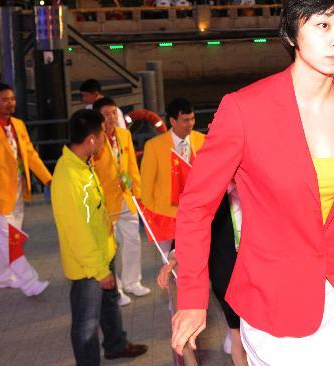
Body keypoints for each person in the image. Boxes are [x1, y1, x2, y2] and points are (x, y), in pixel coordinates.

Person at [171, 0, 334, 365]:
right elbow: (195, 206)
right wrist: (192, 299)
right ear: (292, 33)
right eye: (323, 25)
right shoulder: (244, 110)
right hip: (275, 299)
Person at [51, 109, 148, 365]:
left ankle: (116, 345)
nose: (105, 140)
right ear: (91, 140)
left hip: (103, 253)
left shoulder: (83, 164)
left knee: (109, 304)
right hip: (88, 267)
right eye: (103, 136)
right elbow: (77, 232)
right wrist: (99, 270)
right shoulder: (68, 177)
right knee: (86, 324)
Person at [0, 82, 51, 296]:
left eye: (12, 99)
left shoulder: (18, 125)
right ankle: (30, 282)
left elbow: (30, 154)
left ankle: (3, 277)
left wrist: (48, 179)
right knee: (11, 241)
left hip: (17, 193)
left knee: (5, 241)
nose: (10, 103)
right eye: (4, 99)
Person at [158, 188, 247, 366]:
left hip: (267, 273)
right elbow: (196, 216)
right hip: (229, 276)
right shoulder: (215, 186)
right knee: (239, 338)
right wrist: (175, 254)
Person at [91, 97, 150, 306]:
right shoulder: (94, 139)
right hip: (105, 201)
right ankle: (116, 289)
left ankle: (132, 281)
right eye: (106, 114)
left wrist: (139, 195)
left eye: (114, 113)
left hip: (126, 196)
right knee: (110, 247)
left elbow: (132, 165)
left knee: (133, 240)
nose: (111, 118)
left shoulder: (124, 134)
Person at [140, 98, 206, 255]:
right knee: (168, 262)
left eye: (192, 119)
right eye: (185, 120)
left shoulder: (202, 140)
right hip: (165, 216)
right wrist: (153, 217)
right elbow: (146, 186)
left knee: (194, 257)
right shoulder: (153, 146)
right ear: (172, 121)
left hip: (195, 214)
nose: (190, 124)